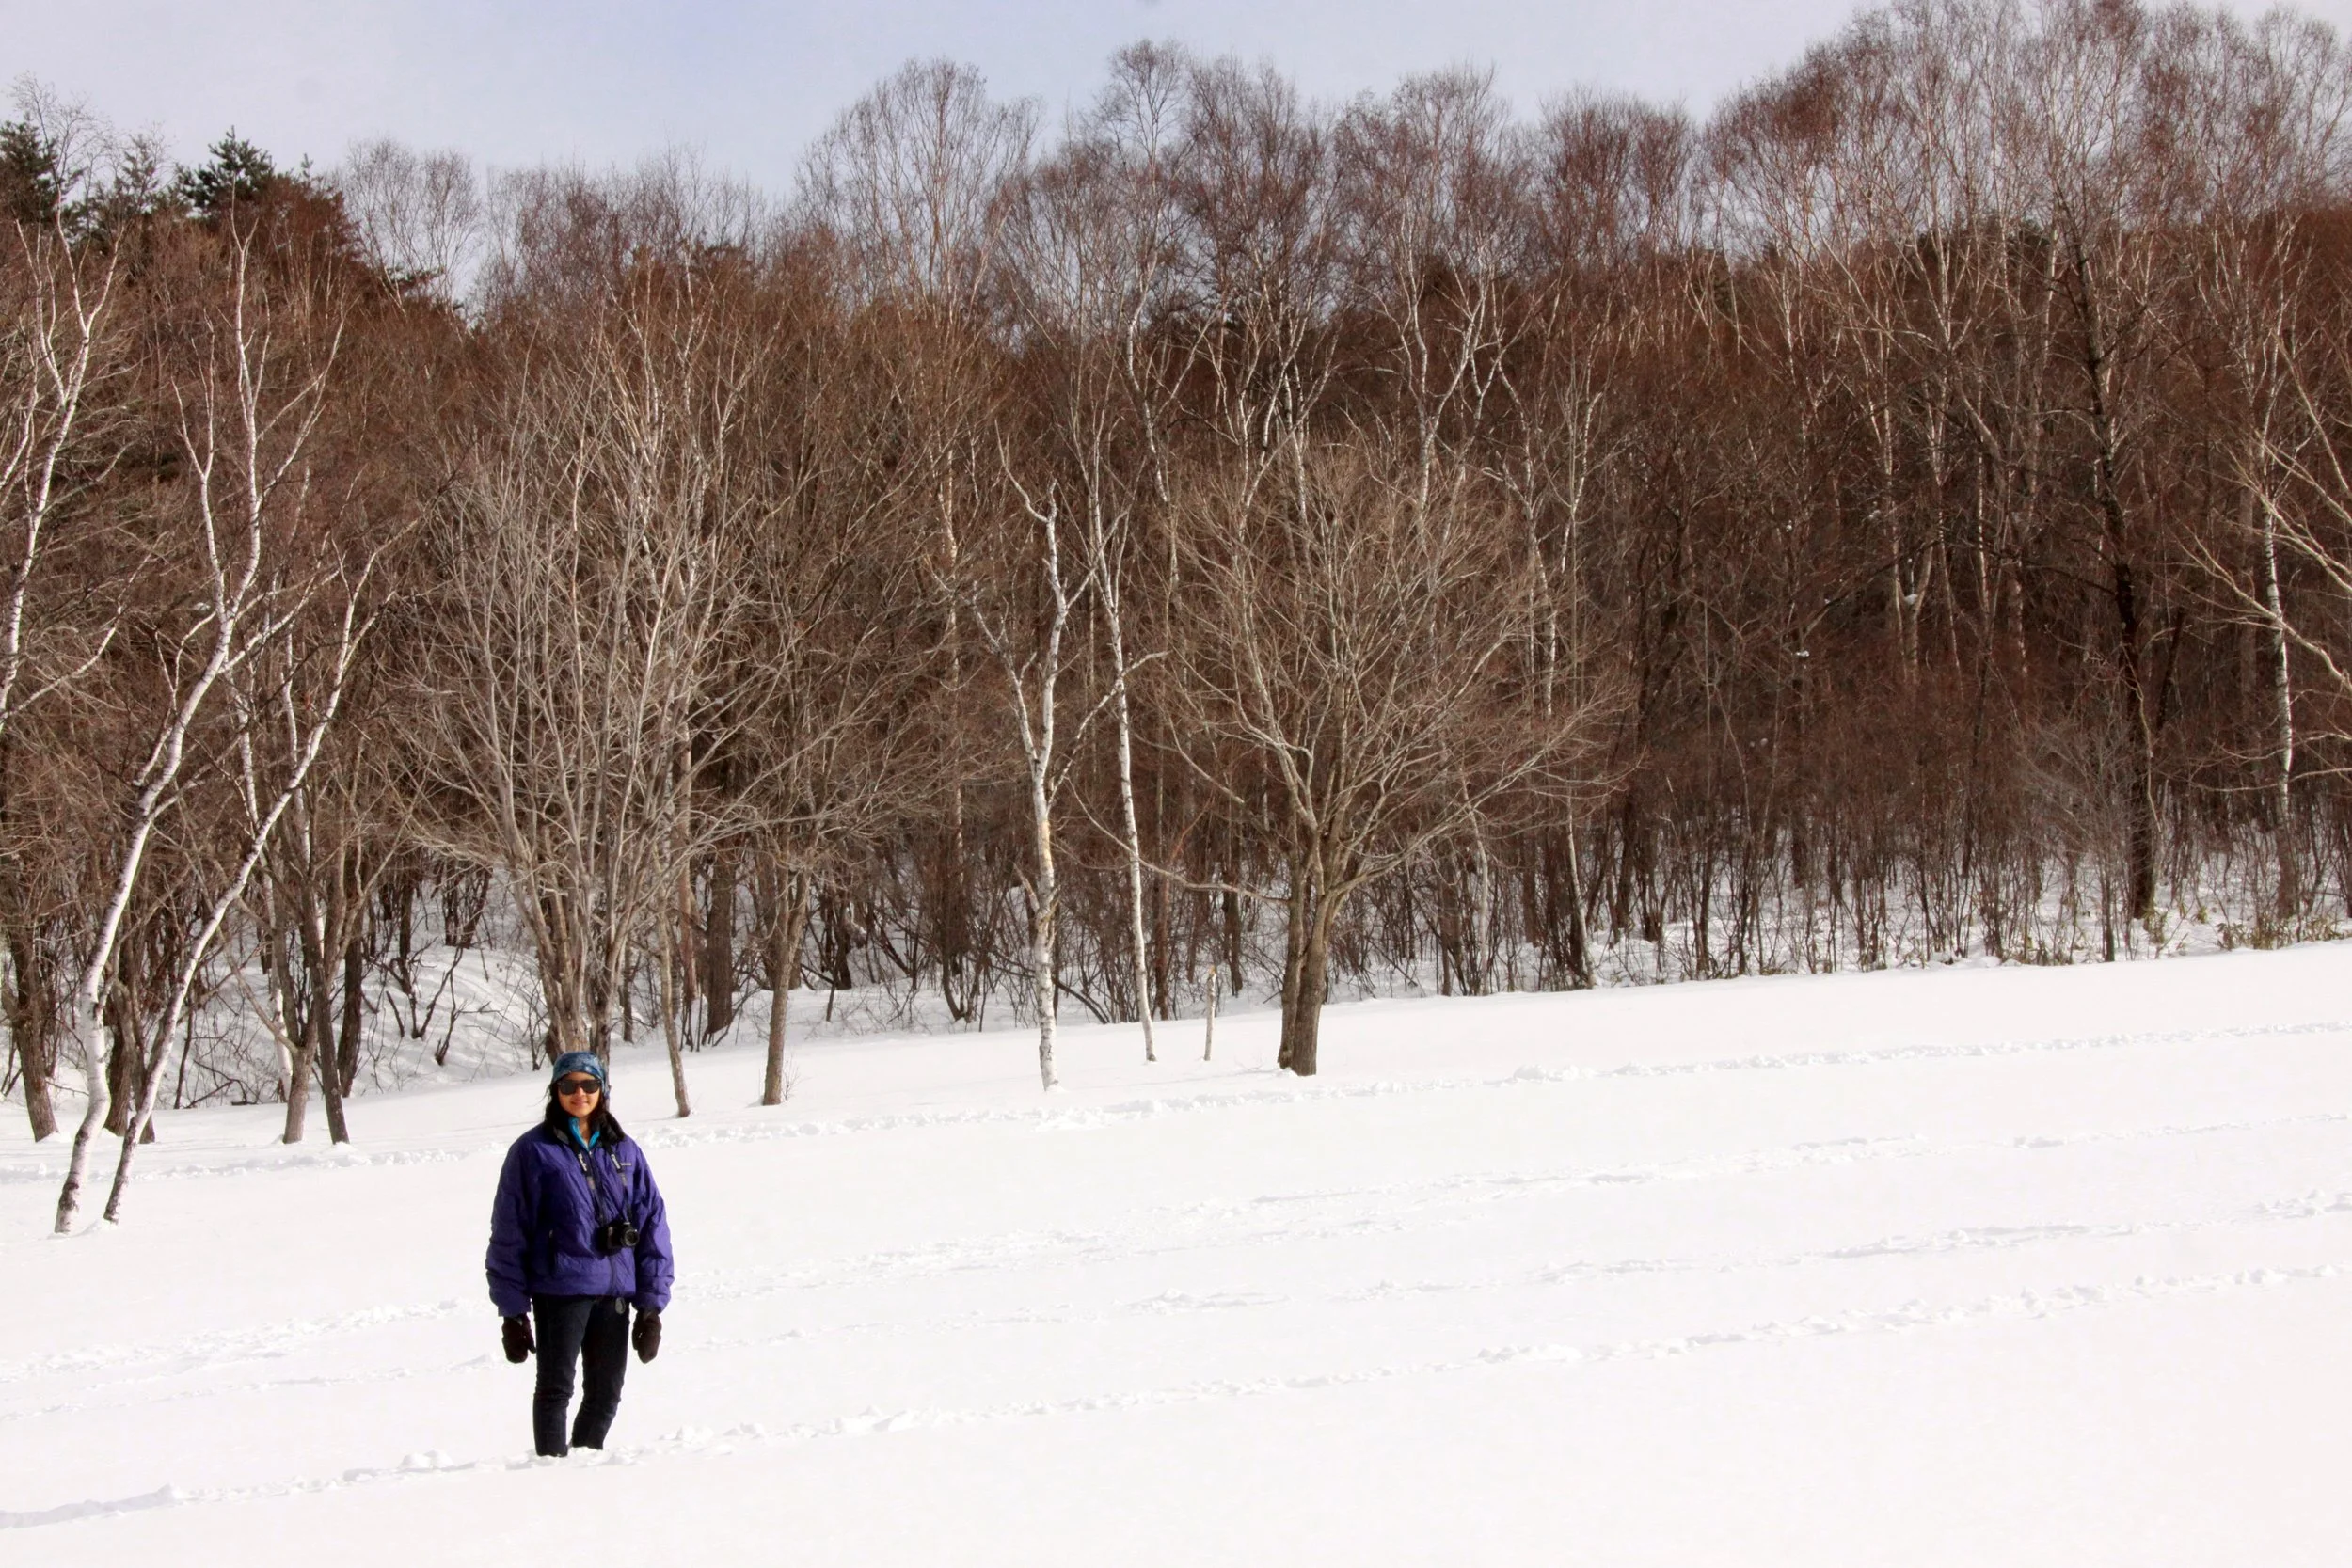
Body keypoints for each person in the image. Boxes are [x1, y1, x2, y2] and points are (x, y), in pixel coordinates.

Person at [485, 1052, 674, 1458]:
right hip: (561, 1288)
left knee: (606, 1394)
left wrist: (651, 1306)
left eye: (589, 1085)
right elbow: (509, 1232)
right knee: (556, 1390)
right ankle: (551, 1473)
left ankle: (585, 1467)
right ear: (555, 1091)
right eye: (568, 1085)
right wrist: (512, 1311)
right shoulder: (532, 1151)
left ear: (602, 1090)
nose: (580, 1094)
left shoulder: (623, 1149)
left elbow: (652, 1222)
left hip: (615, 1291)